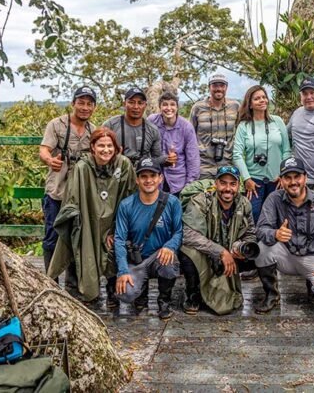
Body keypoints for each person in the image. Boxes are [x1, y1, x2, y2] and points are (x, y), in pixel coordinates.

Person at [47, 128, 136, 309]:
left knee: (113, 247)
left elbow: (130, 197)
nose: (106, 150)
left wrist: (117, 229)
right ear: (93, 148)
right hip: (90, 220)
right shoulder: (82, 167)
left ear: (116, 147)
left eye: (109, 146)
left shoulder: (123, 164)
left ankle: (113, 291)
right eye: (101, 145)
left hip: (114, 221)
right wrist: (76, 224)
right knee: (83, 248)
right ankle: (86, 291)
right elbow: (72, 198)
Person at [255, 157, 314, 313]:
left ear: (305, 177)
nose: (293, 182)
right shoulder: (274, 199)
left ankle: (312, 285)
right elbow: (260, 229)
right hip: (286, 255)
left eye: (297, 176)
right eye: (287, 178)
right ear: (281, 180)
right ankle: (271, 294)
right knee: (261, 249)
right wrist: (275, 233)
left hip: (313, 257)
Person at [179, 165, 262, 316]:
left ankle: (269, 295)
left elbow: (250, 233)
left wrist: (241, 248)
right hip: (207, 252)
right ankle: (192, 294)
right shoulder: (201, 201)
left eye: (232, 184)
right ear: (215, 183)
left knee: (261, 251)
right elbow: (187, 234)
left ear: (238, 186)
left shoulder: (245, 204)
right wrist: (220, 251)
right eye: (223, 183)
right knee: (187, 252)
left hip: (232, 253)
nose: (227, 188)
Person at [38, 86, 97, 282]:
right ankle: (51, 281)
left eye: (89, 104)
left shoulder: (93, 131)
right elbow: (44, 150)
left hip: (80, 194)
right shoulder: (57, 125)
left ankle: (73, 283)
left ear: (94, 107)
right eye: (81, 102)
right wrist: (50, 160)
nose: (85, 107)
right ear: (73, 103)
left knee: (76, 236)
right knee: (52, 237)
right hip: (57, 191)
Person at [114, 158, 183, 320]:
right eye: (143, 176)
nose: (149, 180)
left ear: (161, 178)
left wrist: (170, 246)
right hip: (137, 259)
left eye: (153, 175)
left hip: (160, 255)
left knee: (169, 263)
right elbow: (119, 239)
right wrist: (122, 271)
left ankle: (164, 301)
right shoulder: (126, 205)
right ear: (137, 180)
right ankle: (140, 297)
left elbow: (179, 231)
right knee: (125, 293)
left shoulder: (172, 202)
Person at [232, 85, 291, 223]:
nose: (262, 100)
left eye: (264, 97)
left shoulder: (277, 121)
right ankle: (254, 243)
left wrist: (284, 174)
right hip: (254, 182)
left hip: (277, 180)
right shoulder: (244, 126)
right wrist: (246, 179)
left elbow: (286, 150)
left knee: (278, 216)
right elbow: (237, 154)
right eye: (257, 98)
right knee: (253, 215)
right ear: (250, 104)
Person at [148, 91, 200, 195]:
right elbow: (146, 149)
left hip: (178, 181)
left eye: (172, 104)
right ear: (160, 107)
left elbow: (193, 159)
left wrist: (189, 187)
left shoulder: (186, 127)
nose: (169, 108)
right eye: (165, 104)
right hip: (155, 180)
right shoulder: (152, 121)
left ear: (177, 107)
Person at [190, 73, 240, 179]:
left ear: (226, 87)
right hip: (203, 166)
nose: (218, 89)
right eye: (215, 85)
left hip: (228, 164)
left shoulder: (235, 106)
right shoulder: (198, 107)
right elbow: (190, 136)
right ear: (209, 87)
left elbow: (241, 133)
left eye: (222, 85)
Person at [104, 86, 165, 167]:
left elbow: (156, 159)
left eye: (140, 103)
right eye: (131, 102)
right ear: (124, 104)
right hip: (115, 171)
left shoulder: (152, 129)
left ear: (145, 105)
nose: (136, 107)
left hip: (141, 173)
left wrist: (166, 160)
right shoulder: (110, 125)